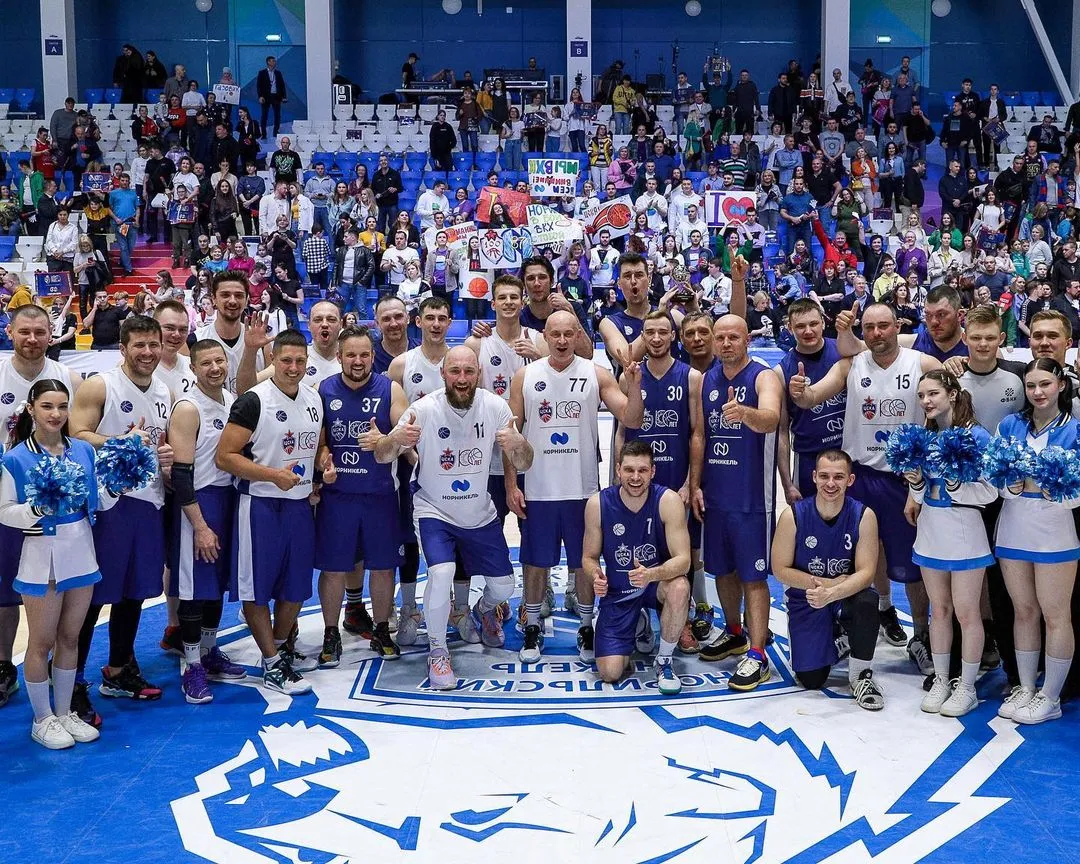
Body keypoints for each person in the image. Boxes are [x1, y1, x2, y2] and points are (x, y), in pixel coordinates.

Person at [789, 303, 941, 676]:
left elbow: (947, 408)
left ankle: (921, 635)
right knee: (859, 559)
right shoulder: (850, 365)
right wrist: (800, 392)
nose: (876, 333)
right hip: (861, 476)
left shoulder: (922, 364)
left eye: (883, 325)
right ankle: (869, 617)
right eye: (869, 327)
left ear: (897, 327)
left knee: (913, 565)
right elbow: (811, 398)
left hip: (904, 479)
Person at [374, 346, 532, 688]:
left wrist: (519, 443)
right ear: (443, 374)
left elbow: (524, 462)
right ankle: (438, 651)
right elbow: (383, 454)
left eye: (469, 372)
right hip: (434, 509)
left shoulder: (495, 407)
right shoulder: (423, 409)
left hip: (479, 513)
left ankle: (483, 610)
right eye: (455, 371)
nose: (462, 379)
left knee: (504, 586)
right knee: (442, 572)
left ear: (479, 374)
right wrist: (394, 438)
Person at [506, 311, 644, 663]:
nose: (563, 340)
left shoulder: (595, 374)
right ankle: (532, 626)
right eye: (556, 334)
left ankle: (585, 626)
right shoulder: (525, 376)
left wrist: (634, 385)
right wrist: (510, 485)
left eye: (569, 334)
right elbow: (510, 436)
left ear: (578, 336)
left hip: (583, 490)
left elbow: (632, 417)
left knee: (585, 562)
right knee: (535, 562)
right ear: (545, 336)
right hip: (538, 488)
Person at [69, 316, 174, 713]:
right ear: (123, 348)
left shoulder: (163, 390)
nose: (147, 352)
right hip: (108, 504)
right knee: (94, 597)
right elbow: (76, 434)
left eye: (153, 344)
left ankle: (118, 670)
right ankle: (72, 680)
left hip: (149, 502)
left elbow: (157, 442)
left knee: (134, 593)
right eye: (139, 345)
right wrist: (119, 442)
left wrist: (165, 456)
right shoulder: (101, 385)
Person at [0, 380, 112, 747]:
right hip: (41, 555)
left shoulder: (83, 450)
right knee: (41, 641)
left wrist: (116, 488)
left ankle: (63, 712)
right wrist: (36, 509)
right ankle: (42, 719)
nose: (56, 414)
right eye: (47, 406)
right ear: (31, 409)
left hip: (81, 551)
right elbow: (5, 511)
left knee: (70, 637)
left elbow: (96, 500)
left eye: (63, 406)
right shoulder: (15, 458)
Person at [215, 328, 320, 694]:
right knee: (256, 588)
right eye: (286, 360)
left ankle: (275, 652)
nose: (293, 367)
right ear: (272, 360)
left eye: (299, 361)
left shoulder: (313, 397)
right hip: (259, 505)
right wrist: (273, 475)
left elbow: (318, 445)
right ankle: (273, 663)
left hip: (300, 506)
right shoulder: (253, 401)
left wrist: (324, 464)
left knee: (296, 587)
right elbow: (225, 457)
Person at [690, 313, 782, 689]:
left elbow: (771, 419)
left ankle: (757, 653)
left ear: (747, 340)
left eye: (734, 337)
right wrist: (695, 484)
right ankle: (734, 632)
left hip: (751, 499)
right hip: (716, 495)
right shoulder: (708, 379)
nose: (726, 343)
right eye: (721, 337)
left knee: (753, 577)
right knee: (722, 571)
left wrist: (745, 413)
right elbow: (700, 435)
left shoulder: (763, 376)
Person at [905, 370, 997, 717]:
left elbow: (991, 492)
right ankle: (942, 679)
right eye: (921, 396)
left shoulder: (977, 436)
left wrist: (958, 487)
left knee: (967, 613)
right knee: (939, 610)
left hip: (965, 535)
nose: (926, 401)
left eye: (933, 394)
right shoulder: (924, 436)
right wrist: (916, 483)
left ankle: (967, 686)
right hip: (930, 533)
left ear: (952, 394)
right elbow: (922, 495)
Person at [0, 307, 78, 710]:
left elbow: (76, 436)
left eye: (40, 332)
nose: (32, 339)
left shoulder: (68, 377)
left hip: (60, 509)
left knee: (59, 590)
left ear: (52, 334)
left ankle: (62, 680)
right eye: (25, 331)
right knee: (4, 592)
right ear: (10, 331)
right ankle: (4, 666)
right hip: (9, 491)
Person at [314, 326, 405, 665]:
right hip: (337, 496)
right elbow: (319, 442)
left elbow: (406, 434)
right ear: (339, 356)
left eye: (364, 354)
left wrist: (386, 440)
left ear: (372, 356)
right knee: (334, 568)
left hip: (379, 495)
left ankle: (381, 630)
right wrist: (323, 461)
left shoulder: (390, 388)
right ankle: (330, 632)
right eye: (350, 354)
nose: (357, 361)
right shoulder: (323, 390)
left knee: (383, 566)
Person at [993, 359, 1078, 724]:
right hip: (1013, 528)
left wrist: (1058, 494)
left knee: (1056, 615)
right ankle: (1027, 687)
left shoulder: (1075, 430)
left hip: (1055, 533)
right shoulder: (1009, 425)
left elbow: (1077, 492)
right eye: (1031, 386)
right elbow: (994, 477)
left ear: (1061, 385)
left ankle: (1051, 695)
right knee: (1024, 611)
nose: (1038, 392)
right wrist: (1010, 488)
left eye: (1045, 384)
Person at [771, 448, 885, 710]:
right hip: (808, 597)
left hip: (844, 595)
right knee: (811, 679)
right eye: (824, 476)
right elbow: (780, 570)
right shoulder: (793, 515)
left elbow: (867, 573)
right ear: (814, 477)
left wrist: (832, 593)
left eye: (838, 477)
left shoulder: (864, 516)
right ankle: (838, 638)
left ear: (850, 480)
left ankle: (860, 676)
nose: (830, 483)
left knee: (867, 600)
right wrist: (827, 585)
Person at [164, 339, 245, 704]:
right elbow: (181, 474)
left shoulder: (231, 401)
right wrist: (199, 525)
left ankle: (210, 652)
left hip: (228, 498)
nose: (214, 368)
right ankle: (192, 665)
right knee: (194, 587)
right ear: (193, 368)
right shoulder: (187, 407)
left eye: (219, 361)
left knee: (216, 582)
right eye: (206, 363)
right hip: (197, 503)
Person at [583, 440, 691, 693]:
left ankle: (664, 660)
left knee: (679, 587)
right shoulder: (598, 504)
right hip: (619, 591)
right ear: (618, 470)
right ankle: (639, 626)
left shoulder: (668, 500)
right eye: (629, 470)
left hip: (655, 585)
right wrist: (595, 575)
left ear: (653, 471)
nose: (635, 477)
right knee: (609, 673)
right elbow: (589, 557)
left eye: (642, 470)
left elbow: (684, 560)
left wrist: (651, 574)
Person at [774, 299, 846, 503]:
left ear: (823, 322)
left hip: (848, 453)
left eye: (813, 324)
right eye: (800, 326)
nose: (808, 331)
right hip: (809, 459)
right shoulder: (781, 372)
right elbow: (781, 431)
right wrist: (787, 483)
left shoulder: (844, 352)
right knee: (809, 519)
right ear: (789, 328)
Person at [256, 55, 287, 139]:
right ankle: (263, 134)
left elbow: (282, 85)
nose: (274, 62)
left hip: (276, 96)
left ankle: (276, 132)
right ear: (268, 62)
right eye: (272, 61)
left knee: (277, 115)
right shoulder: (262, 73)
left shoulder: (278, 73)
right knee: (264, 115)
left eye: (274, 61)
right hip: (265, 97)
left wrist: (284, 96)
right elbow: (259, 86)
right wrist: (260, 96)